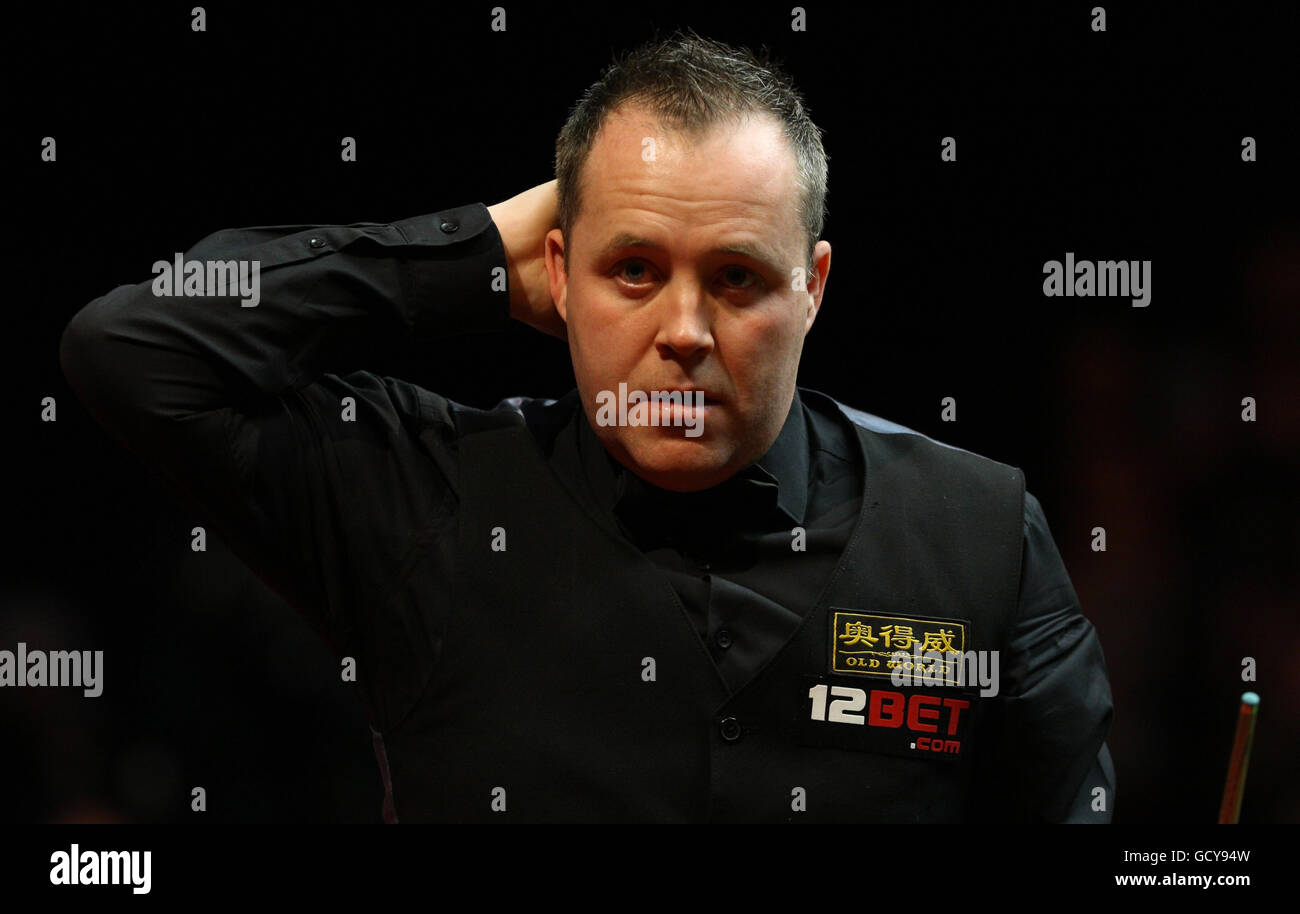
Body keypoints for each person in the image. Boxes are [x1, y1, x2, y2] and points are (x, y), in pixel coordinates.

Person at [59, 30, 1114, 822]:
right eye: (633, 270)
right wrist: (469, 250)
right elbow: (132, 348)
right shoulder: (422, 497)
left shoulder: (978, 528)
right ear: (556, 272)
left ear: (813, 289)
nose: (684, 331)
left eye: (737, 278)